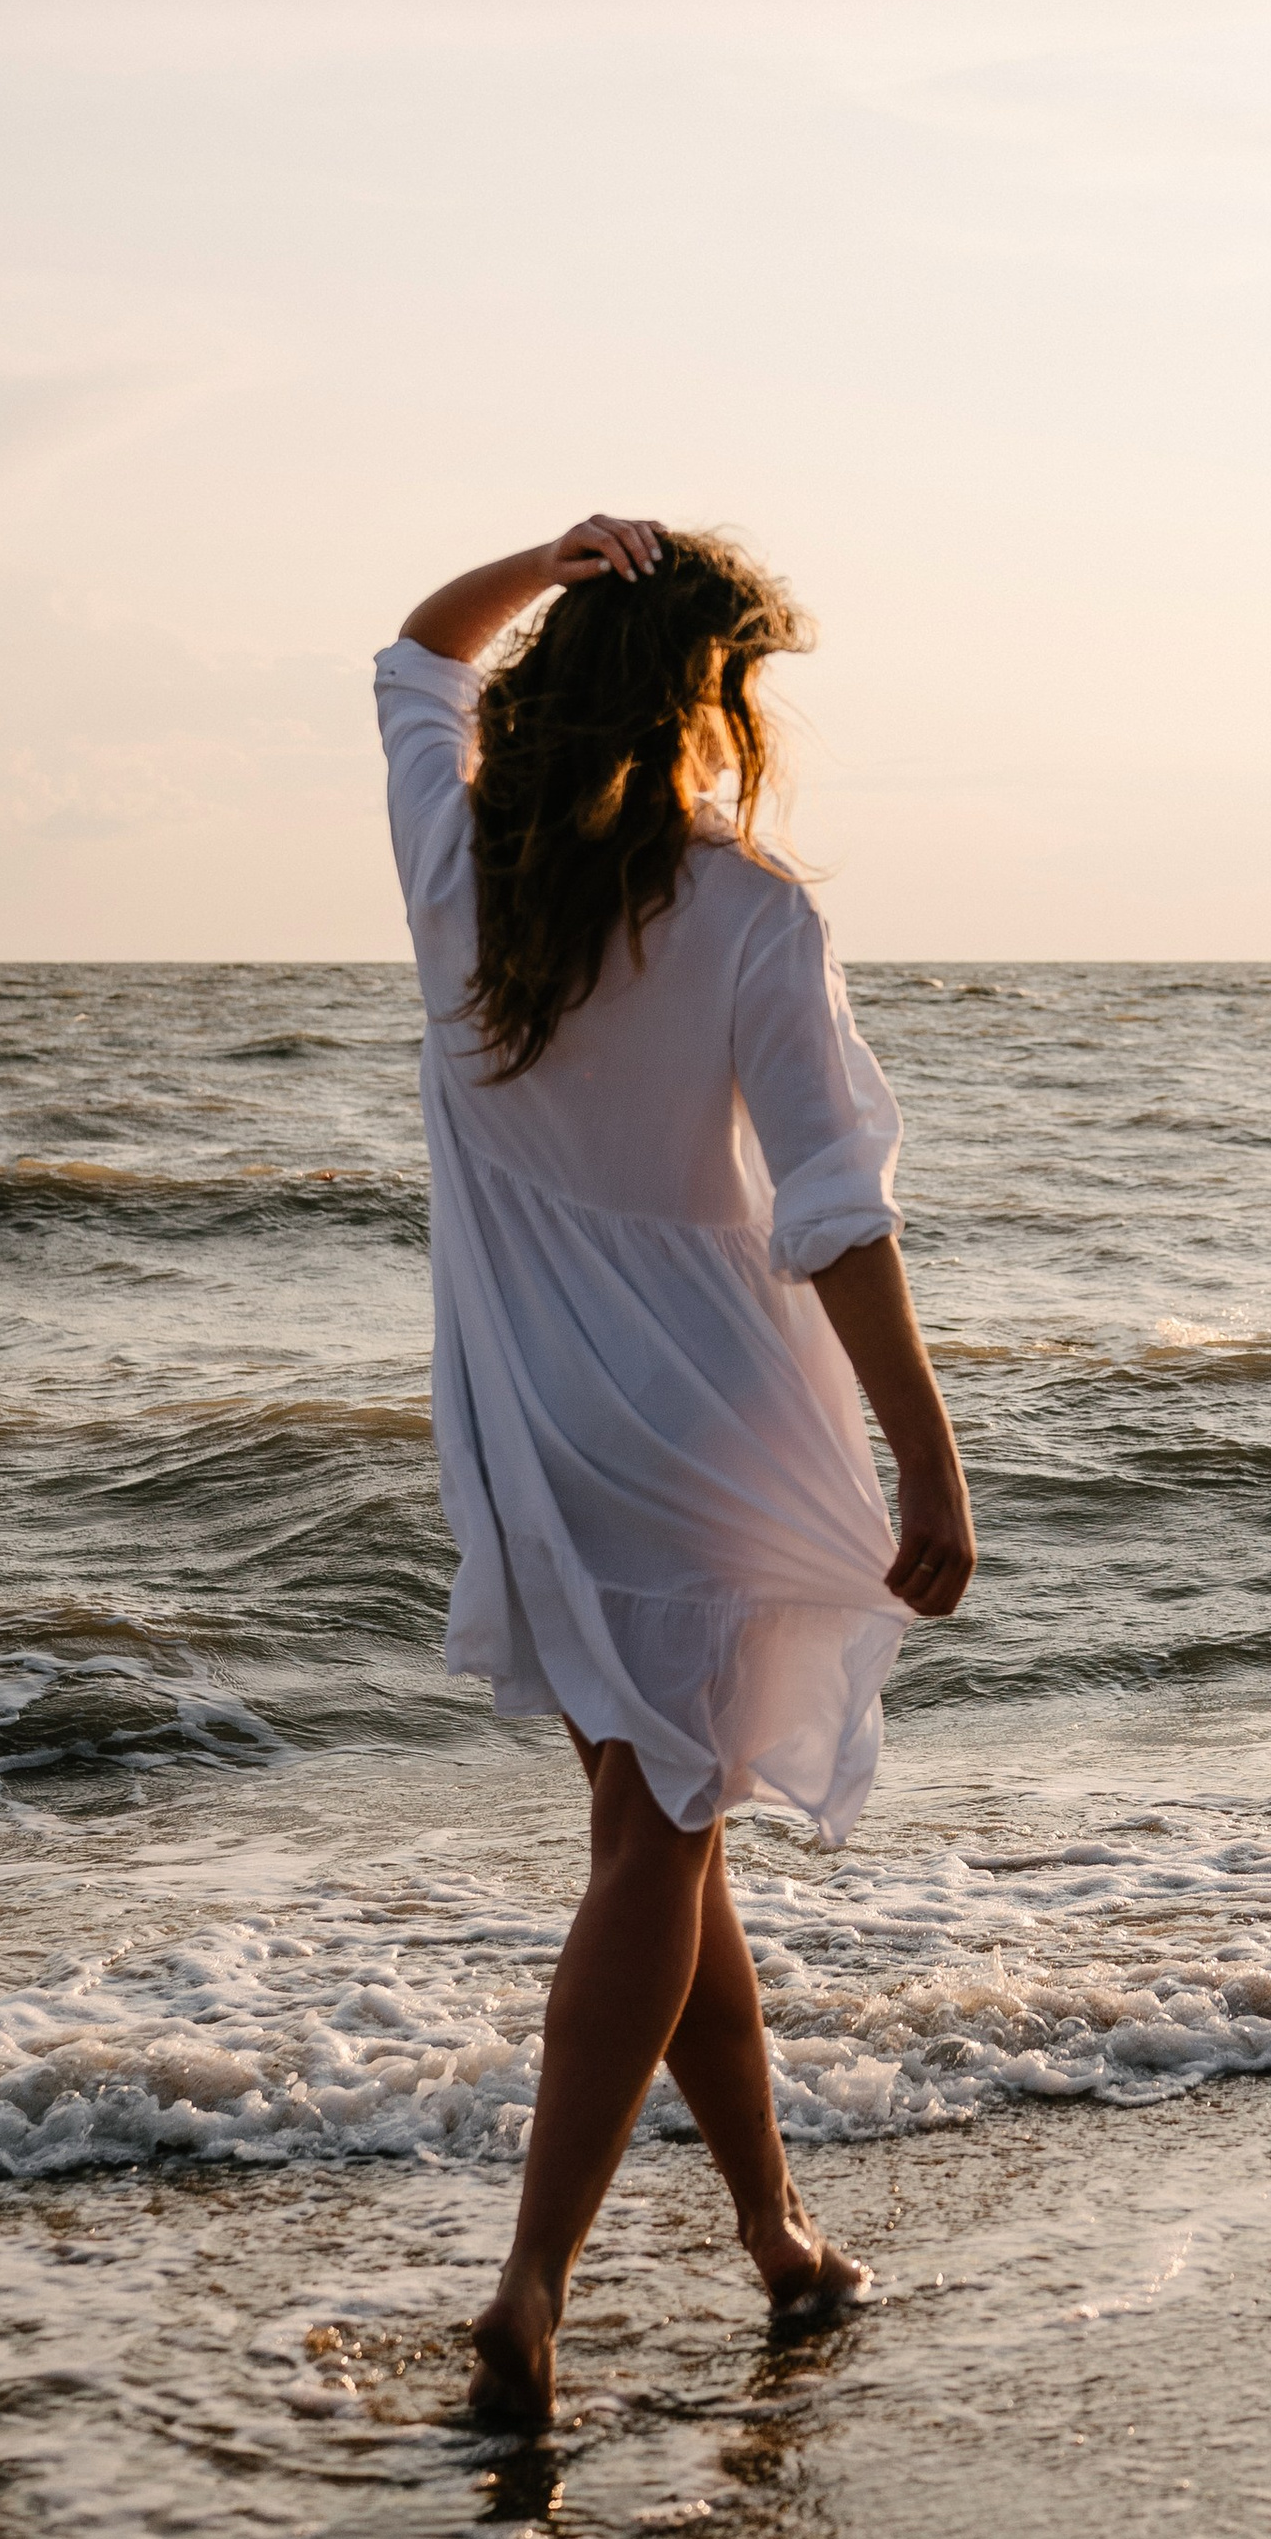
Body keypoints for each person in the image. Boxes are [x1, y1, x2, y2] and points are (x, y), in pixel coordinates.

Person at [375, 511, 975, 2427]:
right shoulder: (748, 913)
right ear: (709, 698)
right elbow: (834, 1214)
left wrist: (545, 558)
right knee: (659, 1841)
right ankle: (530, 2294)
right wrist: (927, 1458)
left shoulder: (462, 862)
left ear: (562, 669)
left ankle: (777, 2238)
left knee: (666, 1843)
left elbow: (409, 657)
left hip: (533, 1428)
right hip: (710, 1416)